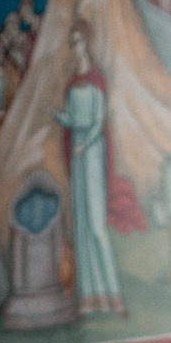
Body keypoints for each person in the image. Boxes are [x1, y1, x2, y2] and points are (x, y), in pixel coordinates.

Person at [55, 22, 140, 316]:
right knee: (80, 226)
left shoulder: (97, 79)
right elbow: (71, 119)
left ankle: (114, 296)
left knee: (96, 225)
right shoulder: (71, 83)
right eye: (72, 42)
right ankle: (89, 299)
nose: (76, 47)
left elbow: (100, 118)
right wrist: (60, 118)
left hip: (91, 154)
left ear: (87, 44)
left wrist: (85, 143)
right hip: (78, 155)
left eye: (79, 41)